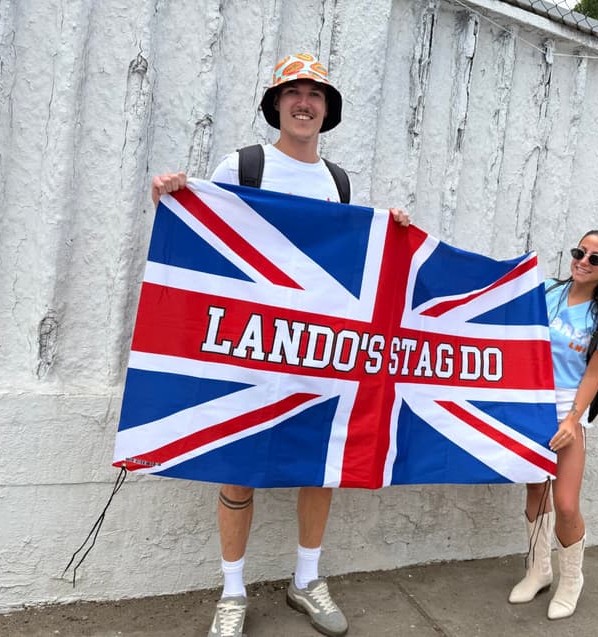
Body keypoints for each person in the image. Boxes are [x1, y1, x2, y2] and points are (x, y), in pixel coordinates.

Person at [151, 53, 410, 637]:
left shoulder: (336, 183)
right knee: (237, 467)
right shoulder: (242, 165)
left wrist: (389, 234)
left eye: (315, 94)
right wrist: (170, 197)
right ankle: (233, 591)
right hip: (247, 349)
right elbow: (203, 245)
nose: (304, 102)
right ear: (275, 105)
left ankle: (306, 581)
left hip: (317, 351)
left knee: (320, 468)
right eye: (292, 92)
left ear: (327, 110)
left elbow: (349, 270)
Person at [507, 229, 598, 619]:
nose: (583, 261)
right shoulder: (545, 290)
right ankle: (538, 569)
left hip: (567, 408)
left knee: (564, 502)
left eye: (595, 258)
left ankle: (571, 579)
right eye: (580, 252)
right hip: (531, 401)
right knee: (536, 491)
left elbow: (593, 375)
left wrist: (573, 419)